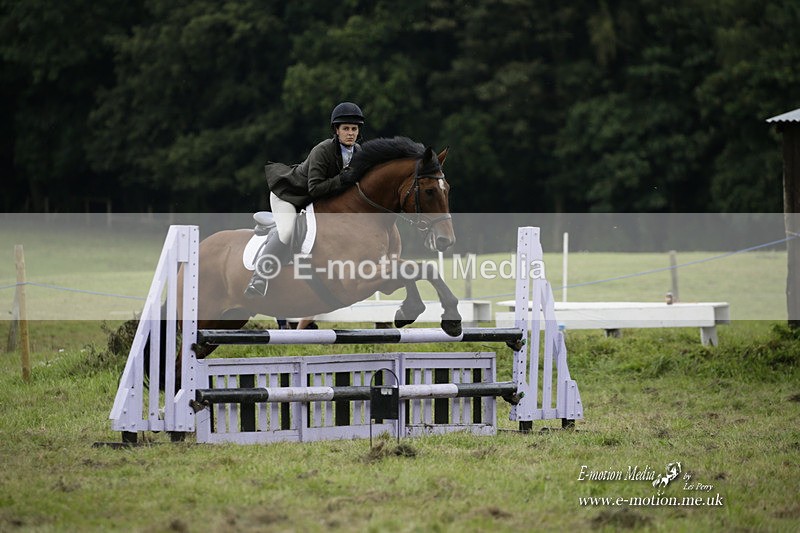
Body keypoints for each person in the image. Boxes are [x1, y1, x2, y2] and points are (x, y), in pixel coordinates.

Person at [245, 102, 365, 298]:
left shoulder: (358, 152)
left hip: (314, 201)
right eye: (346, 129)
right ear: (336, 130)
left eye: (354, 129)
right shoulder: (323, 150)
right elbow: (315, 188)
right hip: (289, 195)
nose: (350, 133)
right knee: (287, 231)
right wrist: (342, 178)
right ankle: (259, 277)